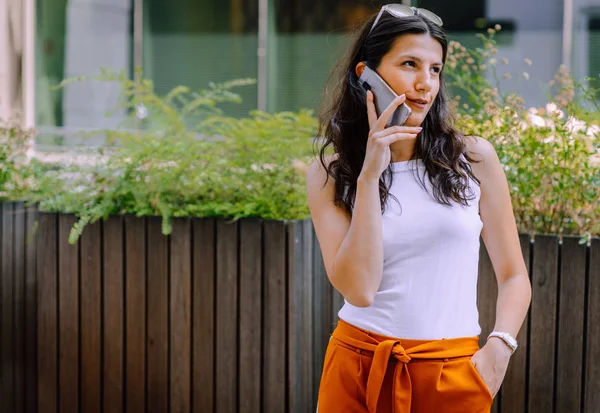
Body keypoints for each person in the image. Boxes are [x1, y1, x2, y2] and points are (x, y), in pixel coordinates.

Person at [305, 4, 532, 413]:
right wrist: (370, 177)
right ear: (366, 74)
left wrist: (500, 349)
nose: (425, 83)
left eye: (435, 69)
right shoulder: (330, 173)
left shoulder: (473, 159)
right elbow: (359, 288)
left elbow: (514, 275)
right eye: (410, 64)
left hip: (454, 374)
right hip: (358, 368)